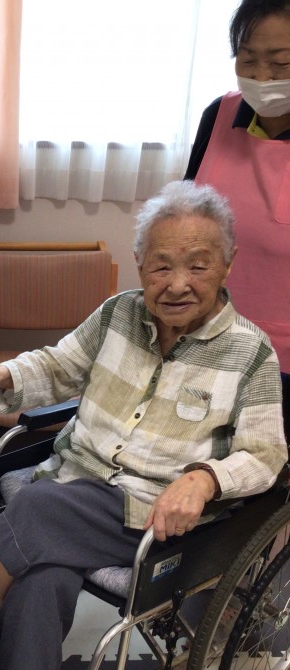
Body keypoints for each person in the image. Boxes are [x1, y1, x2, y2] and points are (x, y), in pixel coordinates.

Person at [0, 180, 287, 670]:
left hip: (153, 517)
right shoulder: (119, 313)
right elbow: (58, 365)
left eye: (197, 265)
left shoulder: (250, 355)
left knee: (39, 505)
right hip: (75, 484)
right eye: (161, 265)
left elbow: (266, 454)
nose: (176, 283)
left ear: (228, 264)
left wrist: (207, 478)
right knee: (46, 568)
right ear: (140, 264)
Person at [185, 0, 290, 398]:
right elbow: (184, 219)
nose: (262, 77)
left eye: (281, 63)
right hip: (208, 339)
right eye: (247, 60)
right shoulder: (219, 116)